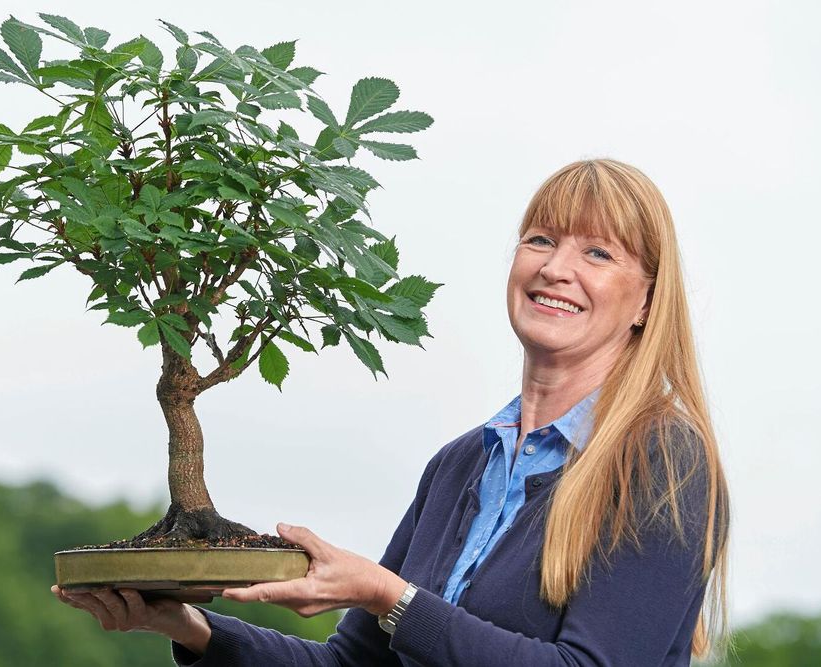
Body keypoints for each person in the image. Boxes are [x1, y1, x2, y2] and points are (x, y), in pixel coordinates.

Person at [52, 158, 731, 666]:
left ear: (645, 300)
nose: (557, 267)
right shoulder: (461, 464)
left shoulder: (663, 460)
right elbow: (349, 664)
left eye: (598, 252)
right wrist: (186, 626)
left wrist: (388, 594)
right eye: (541, 240)